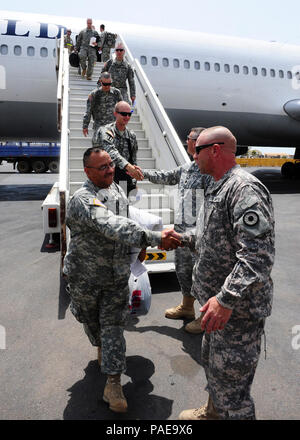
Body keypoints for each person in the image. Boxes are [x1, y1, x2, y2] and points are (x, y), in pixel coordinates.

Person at [63, 148, 181, 414]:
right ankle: (102, 346)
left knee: (113, 326)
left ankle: (113, 384)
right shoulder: (83, 199)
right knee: (91, 323)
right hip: (86, 278)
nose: (109, 170)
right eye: (102, 167)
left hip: (116, 276)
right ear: (87, 172)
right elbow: (112, 224)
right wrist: (155, 237)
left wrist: (140, 245)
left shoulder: (115, 188)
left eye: (110, 165)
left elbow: (128, 217)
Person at [168, 126, 275, 420]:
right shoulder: (217, 185)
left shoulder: (244, 190)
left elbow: (257, 257)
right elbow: (210, 239)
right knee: (215, 368)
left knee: (234, 393)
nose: (194, 155)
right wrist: (180, 236)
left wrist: (225, 299)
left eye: (197, 150)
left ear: (215, 150)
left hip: (236, 313)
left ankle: (224, 411)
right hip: (215, 310)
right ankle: (214, 412)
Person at [141, 127, 209, 334]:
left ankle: (205, 317)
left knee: (203, 275)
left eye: (188, 138)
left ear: (197, 142)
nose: (186, 141)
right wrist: (142, 173)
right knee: (183, 270)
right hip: (182, 230)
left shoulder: (209, 171)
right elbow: (166, 177)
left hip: (199, 233)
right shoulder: (187, 168)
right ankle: (187, 307)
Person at [92, 101, 143, 194]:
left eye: (129, 114)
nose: (127, 117)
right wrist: (128, 167)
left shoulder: (131, 135)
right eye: (124, 114)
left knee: (123, 206)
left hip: (124, 179)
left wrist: (134, 180)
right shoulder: (106, 131)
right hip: (107, 179)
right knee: (107, 206)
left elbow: (133, 158)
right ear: (115, 113)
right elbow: (111, 152)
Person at [82, 72, 122, 137]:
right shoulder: (94, 94)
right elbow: (88, 111)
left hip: (112, 127)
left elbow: (121, 109)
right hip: (99, 127)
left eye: (109, 84)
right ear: (101, 82)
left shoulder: (116, 93)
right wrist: (85, 126)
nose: (107, 86)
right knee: (98, 146)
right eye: (105, 84)